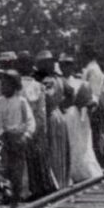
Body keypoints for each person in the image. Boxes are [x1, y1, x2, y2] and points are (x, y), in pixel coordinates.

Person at [0, 69, 36, 208]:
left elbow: (30, 121)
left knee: (17, 168)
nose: (3, 88)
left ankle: (16, 197)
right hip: (2, 138)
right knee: (2, 167)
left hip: (16, 138)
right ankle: (6, 194)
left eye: (6, 85)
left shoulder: (21, 101)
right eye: (2, 85)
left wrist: (27, 135)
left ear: (15, 86)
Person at [18, 51, 56, 198]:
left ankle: (22, 189)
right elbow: (41, 111)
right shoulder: (39, 86)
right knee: (37, 156)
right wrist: (43, 129)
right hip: (36, 125)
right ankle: (39, 186)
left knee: (21, 158)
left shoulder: (15, 85)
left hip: (20, 124)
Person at [62, 53, 104, 182]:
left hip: (80, 115)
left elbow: (90, 98)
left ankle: (84, 170)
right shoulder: (58, 81)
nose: (67, 68)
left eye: (69, 65)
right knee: (69, 143)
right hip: (66, 114)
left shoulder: (80, 82)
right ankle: (69, 172)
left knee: (82, 142)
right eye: (64, 65)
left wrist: (88, 103)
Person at [37, 51, 71, 188]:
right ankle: (61, 180)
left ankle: (54, 181)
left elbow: (48, 97)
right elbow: (71, 94)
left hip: (49, 115)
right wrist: (62, 105)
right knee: (59, 148)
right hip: (59, 114)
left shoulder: (47, 80)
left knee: (52, 149)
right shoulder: (60, 78)